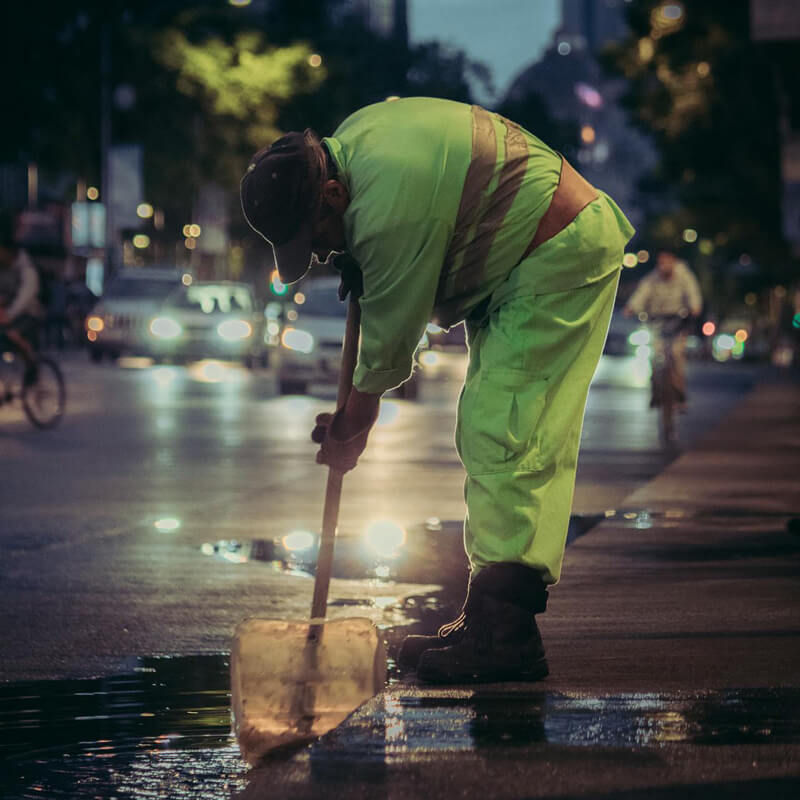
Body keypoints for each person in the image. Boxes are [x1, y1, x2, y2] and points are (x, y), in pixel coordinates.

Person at [241, 97, 634, 683]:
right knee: (491, 427)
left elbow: (389, 349)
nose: (322, 252)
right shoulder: (353, 147)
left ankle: (506, 632)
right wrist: (348, 405)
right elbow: (378, 317)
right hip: (518, 260)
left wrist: (352, 424)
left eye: (317, 237)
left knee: (506, 429)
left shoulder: (389, 211)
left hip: (557, 253)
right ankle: (487, 615)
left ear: (331, 196)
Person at [623, 250, 703, 409]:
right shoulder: (652, 279)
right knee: (655, 356)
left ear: (673, 261)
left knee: (676, 354)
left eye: (666, 262)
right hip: (657, 322)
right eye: (660, 263)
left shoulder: (685, 276)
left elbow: (693, 294)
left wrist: (695, 307)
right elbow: (641, 294)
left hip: (678, 322)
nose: (663, 266)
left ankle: (680, 395)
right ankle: (656, 393)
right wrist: (631, 307)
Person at [0, 213, 44, 380]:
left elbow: (26, 297)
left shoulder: (27, 269)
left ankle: (31, 363)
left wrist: (9, 314)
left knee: (13, 334)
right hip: (7, 313)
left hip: (29, 314)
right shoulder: (4, 268)